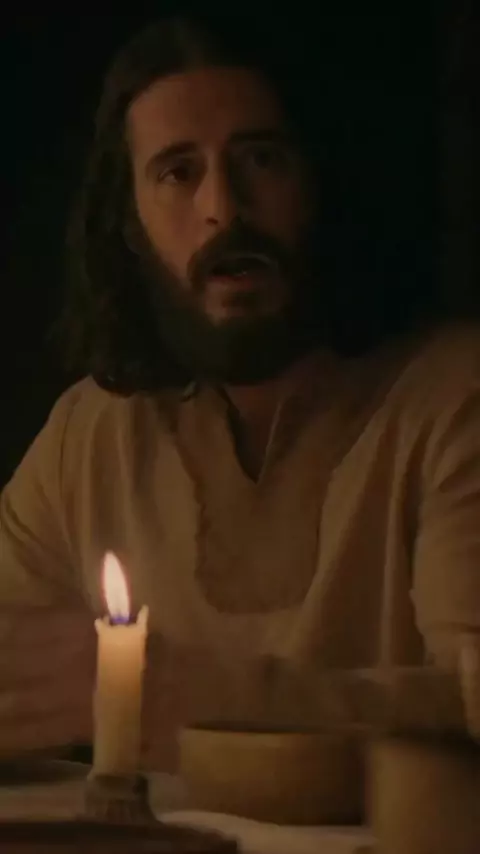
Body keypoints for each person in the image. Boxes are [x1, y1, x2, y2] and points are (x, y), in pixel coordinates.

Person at [1, 12, 479, 773]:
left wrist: (210, 700)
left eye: (261, 158)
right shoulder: (91, 435)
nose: (224, 206)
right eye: (177, 172)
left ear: (317, 182)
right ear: (129, 224)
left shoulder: (455, 399)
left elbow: (471, 702)